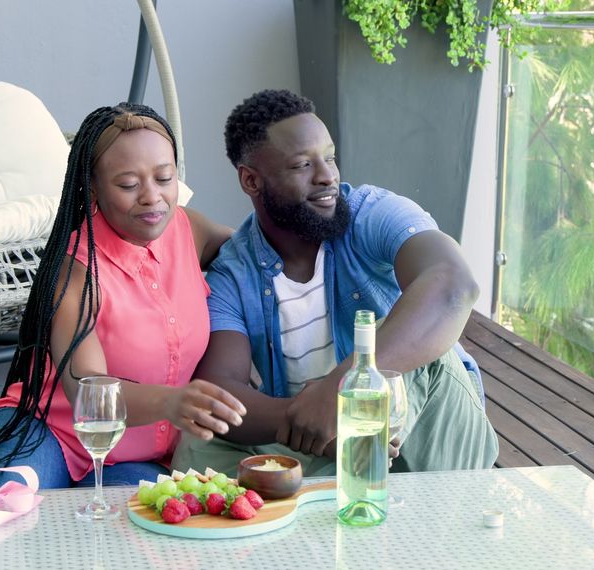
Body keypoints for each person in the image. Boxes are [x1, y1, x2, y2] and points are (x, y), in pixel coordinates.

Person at [171, 89, 498, 476]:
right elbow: (220, 387)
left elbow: (454, 285)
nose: (327, 176)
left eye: (329, 158)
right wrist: (307, 418)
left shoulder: (372, 212)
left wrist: (340, 390)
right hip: (324, 440)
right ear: (251, 180)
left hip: (433, 431)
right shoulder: (235, 270)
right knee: (201, 439)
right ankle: (339, 472)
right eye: (302, 165)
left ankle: (330, 483)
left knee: (399, 334)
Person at [0, 103, 247, 492]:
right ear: (93, 187)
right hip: (51, 432)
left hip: (139, 457)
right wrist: (172, 402)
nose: (152, 197)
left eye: (164, 178)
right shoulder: (77, 269)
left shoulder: (188, 229)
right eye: (128, 185)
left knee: (129, 525)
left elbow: (256, 252)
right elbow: (87, 393)